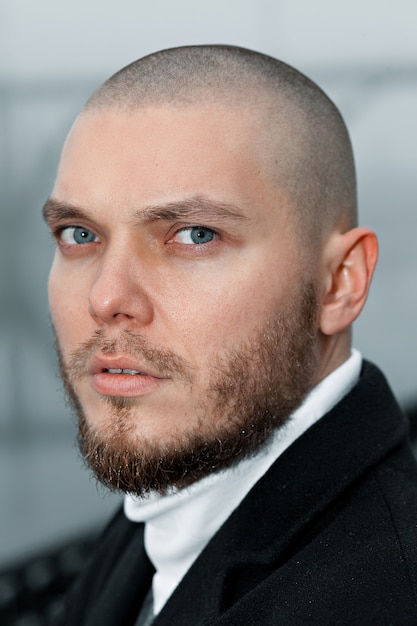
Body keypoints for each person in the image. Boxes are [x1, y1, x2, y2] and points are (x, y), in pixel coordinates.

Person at [43, 45, 417, 625]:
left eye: (194, 235)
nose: (106, 298)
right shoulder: (174, 501)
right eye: (77, 234)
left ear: (340, 283)